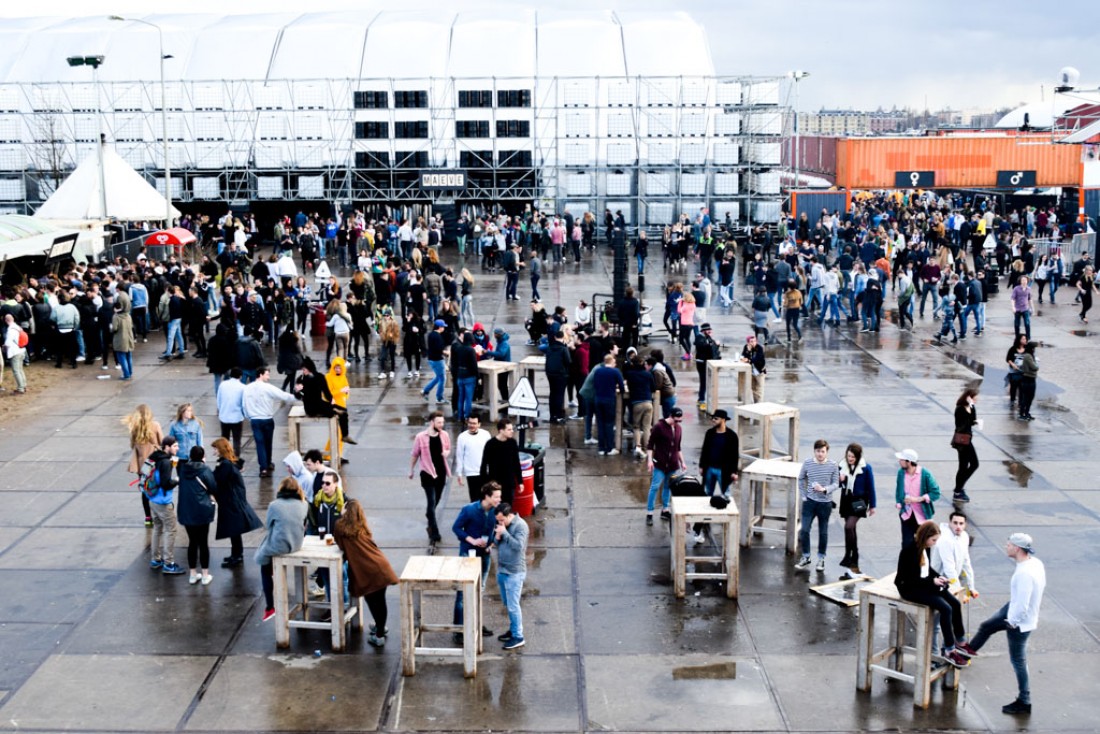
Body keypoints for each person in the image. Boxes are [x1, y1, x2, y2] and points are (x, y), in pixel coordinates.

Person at [957, 532, 1046, 715]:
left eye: (1009, 544)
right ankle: (964, 655)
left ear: (1017, 548)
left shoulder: (1024, 574)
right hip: (1013, 610)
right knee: (986, 626)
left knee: (1018, 660)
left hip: (1018, 622)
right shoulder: (1034, 563)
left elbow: (1023, 604)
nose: (1006, 546)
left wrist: (1012, 622)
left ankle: (1024, 700)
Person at [894, 520, 971, 668]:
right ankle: (949, 650)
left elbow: (927, 569)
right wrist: (933, 582)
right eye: (933, 540)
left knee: (954, 603)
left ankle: (960, 641)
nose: (935, 543)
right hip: (909, 589)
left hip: (922, 583)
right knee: (945, 608)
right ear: (925, 537)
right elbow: (910, 579)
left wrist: (938, 577)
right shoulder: (910, 550)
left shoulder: (924, 548)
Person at [333, 498, 399, 647]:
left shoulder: (340, 527)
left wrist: (341, 515)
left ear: (347, 511)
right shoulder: (362, 527)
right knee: (379, 601)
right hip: (380, 566)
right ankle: (380, 627)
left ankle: (379, 634)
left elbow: (340, 543)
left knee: (374, 602)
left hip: (369, 571)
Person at [451, 481, 502, 640]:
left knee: (479, 590)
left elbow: (494, 531)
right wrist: (472, 540)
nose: (499, 500)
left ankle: (476, 624)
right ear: (487, 496)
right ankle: (458, 631)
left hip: (484, 555)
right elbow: (456, 528)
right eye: (496, 497)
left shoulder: (495, 512)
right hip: (468, 554)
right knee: (462, 594)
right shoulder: (469, 510)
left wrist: (491, 543)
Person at [254, 478, 308, 622]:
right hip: (296, 543)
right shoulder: (304, 504)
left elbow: (268, 525)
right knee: (271, 545)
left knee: (264, 566)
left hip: (279, 546)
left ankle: (270, 606)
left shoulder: (274, 505)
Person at [211, 437, 263, 568]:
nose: (213, 451)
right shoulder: (229, 463)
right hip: (233, 500)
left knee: (233, 530)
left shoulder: (225, 465)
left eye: (215, 449)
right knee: (234, 530)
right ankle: (236, 554)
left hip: (230, 501)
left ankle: (237, 555)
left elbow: (217, 480)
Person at [243, 367, 299, 477]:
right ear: (260, 375)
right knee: (268, 443)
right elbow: (283, 395)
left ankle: (263, 468)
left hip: (255, 419)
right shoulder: (268, 388)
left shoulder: (247, 388)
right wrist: (297, 397)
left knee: (259, 444)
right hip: (267, 419)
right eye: (267, 374)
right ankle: (268, 463)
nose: (268, 377)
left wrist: (249, 416)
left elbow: (244, 405)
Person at [795, 439, 840, 572]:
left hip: (825, 504)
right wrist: (804, 495)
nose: (820, 454)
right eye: (818, 451)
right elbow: (801, 478)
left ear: (827, 452)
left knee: (823, 532)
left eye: (822, 451)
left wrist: (825, 489)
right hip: (809, 502)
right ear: (814, 451)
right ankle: (806, 556)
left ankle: (821, 558)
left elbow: (836, 483)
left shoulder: (833, 465)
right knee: (804, 530)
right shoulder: (808, 463)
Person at [144, 436, 186, 575]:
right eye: (175, 446)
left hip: (152, 499)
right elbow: (166, 483)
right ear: (167, 447)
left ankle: (156, 559)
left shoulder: (155, 457)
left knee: (157, 529)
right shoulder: (166, 463)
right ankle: (169, 563)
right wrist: (177, 480)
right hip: (163, 502)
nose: (177, 448)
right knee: (171, 530)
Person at [177, 445, 217, 585]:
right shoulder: (205, 469)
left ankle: (193, 574)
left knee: (192, 542)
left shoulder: (183, 469)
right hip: (202, 510)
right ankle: (205, 574)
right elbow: (213, 487)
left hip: (186, 511)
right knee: (203, 542)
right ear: (202, 456)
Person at [409, 411, 451, 545]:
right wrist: (411, 470)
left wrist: (446, 453)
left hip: (441, 473)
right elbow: (415, 454)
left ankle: (429, 515)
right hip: (427, 473)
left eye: (442, 422)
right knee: (431, 501)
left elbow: (448, 448)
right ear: (431, 422)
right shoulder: (421, 437)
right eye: (439, 422)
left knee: (435, 501)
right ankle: (434, 532)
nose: (441, 425)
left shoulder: (444, 435)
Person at [495, 501, 530, 650]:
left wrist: (505, 533)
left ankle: (518, 636)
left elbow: (519, 547)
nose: (500, 523)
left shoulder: (521, 526)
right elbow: (498, 544)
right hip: (502, 569)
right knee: (508, 604)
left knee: (513, 606)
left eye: (502, 520)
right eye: (498, 521)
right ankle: (512, 630)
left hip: (514, 573)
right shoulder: (504, 526)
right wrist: (497, 537)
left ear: (510, 516)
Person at [838, 442, 875, 577]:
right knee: (851, 529)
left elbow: (871, 487)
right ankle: (853, 561)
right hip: (847, 500)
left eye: (853, 457)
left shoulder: (866, 468)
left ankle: (850, 555)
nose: (850, 459)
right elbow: (837, 483)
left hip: (859, 501)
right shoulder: (842, 466)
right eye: (848, 456)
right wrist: (840, 480)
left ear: (858, 457)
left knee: (849, 527)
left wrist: (873, 506)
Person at [123, 404, 164, 527]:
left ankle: (148, 517)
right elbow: (162, 441)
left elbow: (132, 445)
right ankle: (158, 515)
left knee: (145, 489)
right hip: (154, 462)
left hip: (141, 463)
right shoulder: (155, 425)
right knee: (156, 487)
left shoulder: (135, 428)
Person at [645, 407, 685, 525]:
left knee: (668, 487)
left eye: (679, 421)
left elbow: (678, 448)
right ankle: (650, 512)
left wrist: (682, 462)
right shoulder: (659, 427)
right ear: (670, 416)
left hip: (672, 464)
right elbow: (650, 445)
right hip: (660, 463)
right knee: (655, 487)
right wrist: (650, 460)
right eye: (676, 420)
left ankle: (665, 510)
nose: (677, 423)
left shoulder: (679, 429)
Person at [894, 448, 941, 548]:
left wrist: (918, 499)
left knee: (924, 543)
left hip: (922, 516)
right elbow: (898, 489)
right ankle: (906, 563)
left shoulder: (925, 474)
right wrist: (899, 502)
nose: (899, 461)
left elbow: (936, 493)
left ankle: (924, 563)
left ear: (909, 462)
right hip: (907, 514)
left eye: (901, 459)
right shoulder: (901, 473)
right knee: (906, 544)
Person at [932, 511, 978, 602]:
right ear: (950, 523)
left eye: (961, 523)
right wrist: (959, 591)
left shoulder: (964, 536)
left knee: (957, 607)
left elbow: (966, 563)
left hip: (952, 580)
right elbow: (949, 568)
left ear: (965, 525)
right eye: (955, 523)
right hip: (939, 580)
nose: (958, 526)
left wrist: (971, 587)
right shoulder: (945, 540)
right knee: (947, 609)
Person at [699, 408, 739, 502]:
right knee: (708, 493)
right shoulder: (710, 433)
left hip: (723, 470)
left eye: (716, 418)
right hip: (709, 468)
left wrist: (734, 471)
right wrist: (701, 466)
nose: (713, 420)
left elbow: (734, 455)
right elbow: (704, 450)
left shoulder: (732, 436)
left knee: (726, 494)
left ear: (723, 420)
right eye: (712, 418)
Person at [480, 418, 523, 505]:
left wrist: (520, 482)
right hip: (495, 483)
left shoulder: (512, 443)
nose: (512, 431)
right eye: (509, 429)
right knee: (495, 509)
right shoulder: (490, 444)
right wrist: (485, 484)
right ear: (501, 430)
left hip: (509, 483)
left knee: (507, 507)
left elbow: (516, 463)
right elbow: (484, 465)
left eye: (512, 429)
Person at [591, 353, 625, 456]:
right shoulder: (615, 371)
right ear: (612, 361)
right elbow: (622, 386)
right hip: (609, 399)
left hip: (598, 399)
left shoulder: (598, 371)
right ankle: (609, 448)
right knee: (609, 424)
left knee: (600, 424)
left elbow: (595, 384)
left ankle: (601, 448)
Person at [454, 414, 492, 502]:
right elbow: (459, 456)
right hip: (471, 472)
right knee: (474, 499)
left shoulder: (486, 434)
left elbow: (490, 453)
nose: (471, 425)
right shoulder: (462, 437)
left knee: (486, 498)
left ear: (479, 424)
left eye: (474, 423)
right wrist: (459, 473)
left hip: (484, 471)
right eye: (470, 423)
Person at [952, 388, 980, 503]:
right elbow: (961, 425)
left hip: (967, 439)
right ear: (969, 397)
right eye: (975, 397)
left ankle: (959, 489)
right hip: (962, 441)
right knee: (972, 464)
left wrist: (972, 408)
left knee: (965, 466)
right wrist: (970, 417)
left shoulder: (971, 407)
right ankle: (958, 490)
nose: (977, 399)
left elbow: (973, 420)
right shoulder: (959, 409)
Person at [693, 322, 721, 408]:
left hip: (707, 363)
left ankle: (702, 399)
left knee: (706, 382)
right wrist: (714, 344)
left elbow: (712, 348)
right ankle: (701, 400)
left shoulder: (707, 337)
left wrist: (716, 345)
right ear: (704, 331)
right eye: (708, 330)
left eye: (710, 330)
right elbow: (704, 348)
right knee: (703, 382)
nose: (710, 331)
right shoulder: (699, 338)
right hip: (702, 364)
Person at [421, 320, 448, 403]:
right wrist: (446, 352)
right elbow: (439, 349)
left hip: (431, 359)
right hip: (437, 360)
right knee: (442, 378)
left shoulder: (431, 334)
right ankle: (439, 397)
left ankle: (425, 390)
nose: (444, 328)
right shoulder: (438, 337)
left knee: (438, 377)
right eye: (443, 326)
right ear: (439, 327)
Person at [740, 333, 767, 403]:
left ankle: (759, 405)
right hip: (751, 371)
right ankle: (756, 403)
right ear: (748, 342)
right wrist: (748, 351)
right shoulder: (746, 347)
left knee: (760, 390)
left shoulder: (759, 348)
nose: (753, 343)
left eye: (755, 341)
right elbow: (743, 356)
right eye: (751, 341)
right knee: (753, 389)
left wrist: (749, 360)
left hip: (760, 371)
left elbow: (757, 358)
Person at [1017, 342, 1039, 421]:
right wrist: (1037, 364)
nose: (1034, 350)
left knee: (1030, 397)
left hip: (1031, 379)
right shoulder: (1028, 356)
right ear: (1031, 348)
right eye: (1034, 348)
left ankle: (1027, 413)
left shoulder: (1030, 356)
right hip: (1027, 379)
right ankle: (1022, 414)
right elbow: (1034, 367)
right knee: (1026, 398)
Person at [1011, 275, 1033, 340]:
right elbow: (1012, 298)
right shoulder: (1016, 289)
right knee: (1017, 324)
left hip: (1025, 309)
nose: (1024, 282)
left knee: (1027, 323)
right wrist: (1013, 307)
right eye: (1023, 280)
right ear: (1020, 281)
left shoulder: (1029, 289)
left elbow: (1030, 299)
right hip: (1017, 309)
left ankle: (1028, 337)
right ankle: (1017, 337)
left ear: (1027, 281)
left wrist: (1032, 308)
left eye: (1025, 280)